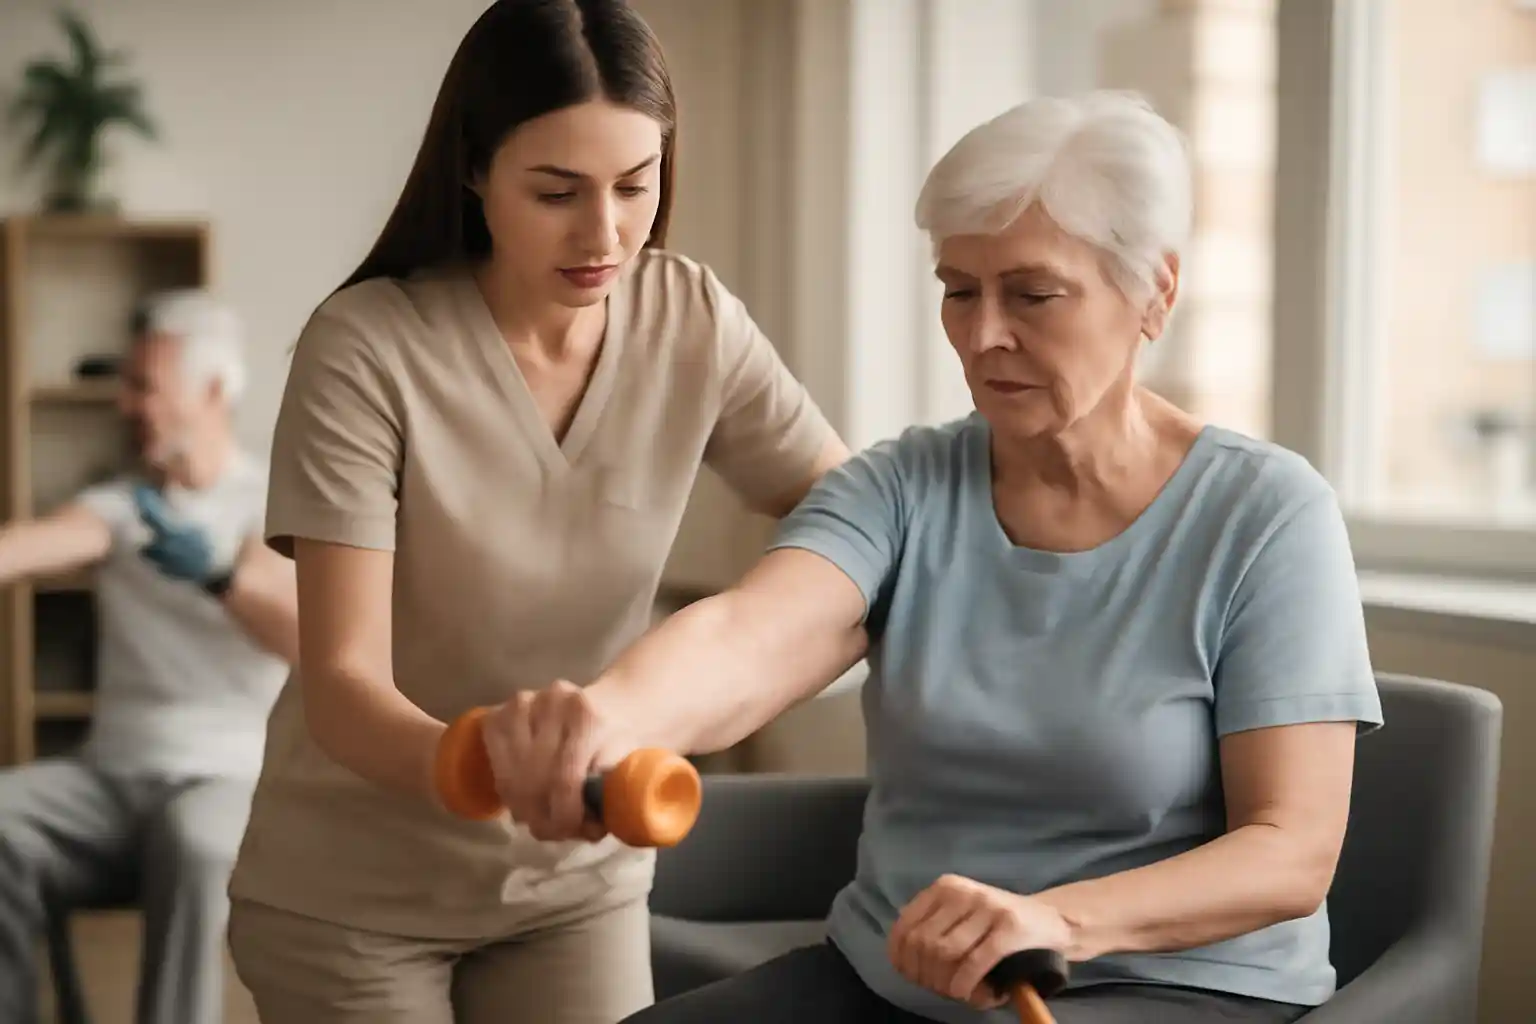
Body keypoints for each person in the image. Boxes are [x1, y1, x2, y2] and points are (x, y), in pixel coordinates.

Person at [475, 91, 1386, 1024]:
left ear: (1154, 290)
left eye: (1032, 293)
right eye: (959, 290)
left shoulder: (1267, 515)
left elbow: (1292, 850)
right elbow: (751, 635)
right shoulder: (904, 486)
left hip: (1172, 990)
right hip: (890, 982)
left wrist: (1056, 921)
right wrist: (606, 719)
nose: (983, 334)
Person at [222, 2, 846, 1021]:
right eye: (557, 191)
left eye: (635, 186)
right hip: (352, 897)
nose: (604, 233)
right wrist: (492, 766)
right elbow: (339, 682)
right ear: (474, 170)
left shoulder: (693, 320)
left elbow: (846, 519)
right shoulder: (366, 347)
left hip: (575, 888)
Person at [0, 289, 297, 1024]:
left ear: (215, 389)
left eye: (145, 386)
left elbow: (305, 637)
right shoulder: (121, 507)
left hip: (226, 778)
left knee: (195, 843)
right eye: (126, 384)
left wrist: (221, 575)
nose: (127, 404)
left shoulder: (273, 505)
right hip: (110, 778)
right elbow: (29, 546)